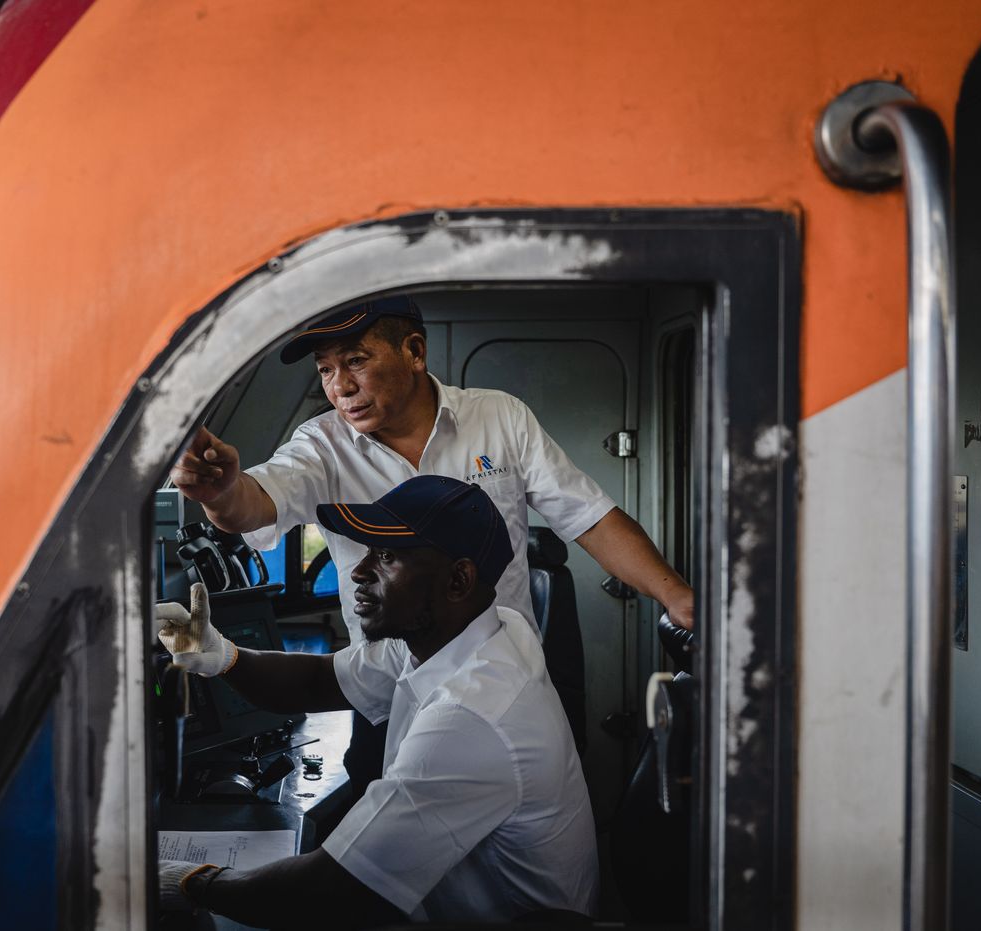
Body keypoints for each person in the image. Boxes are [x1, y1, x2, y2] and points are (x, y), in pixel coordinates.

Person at [170, 295, 693, 791]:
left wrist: (676, 597)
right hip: (388, 690)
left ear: (414, 351)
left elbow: (589, 517)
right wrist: (220, 492)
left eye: (355, 360)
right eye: (325, 370)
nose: (340, 388)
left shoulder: (499, 418)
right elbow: (254, 503)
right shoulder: (320, 446)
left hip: (501, 686)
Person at [155, 476, 599, 927]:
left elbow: (331, 891)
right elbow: (316, 680)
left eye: (386, 557)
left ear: (459, 580)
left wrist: (190, 882)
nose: (358, 572)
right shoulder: (484, 628)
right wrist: (223, 656)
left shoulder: (471, 717)